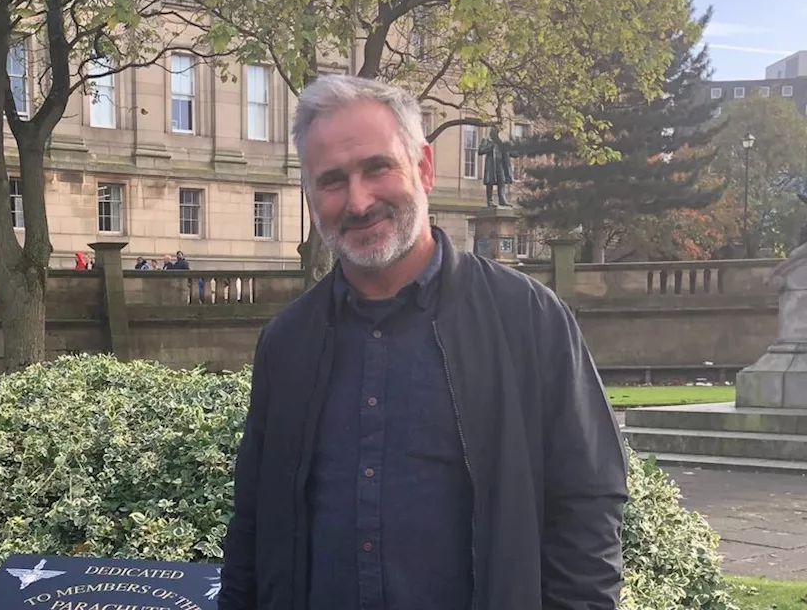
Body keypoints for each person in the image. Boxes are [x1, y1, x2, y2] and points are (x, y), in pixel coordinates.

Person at [217, 75, 627, 610]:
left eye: (377, 168)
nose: (358, 201)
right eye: (333, 180)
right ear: (311, 195)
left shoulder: (528, 319)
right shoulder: (286, 341)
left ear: (424, 167)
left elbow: (586, 506)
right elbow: (253, 519)